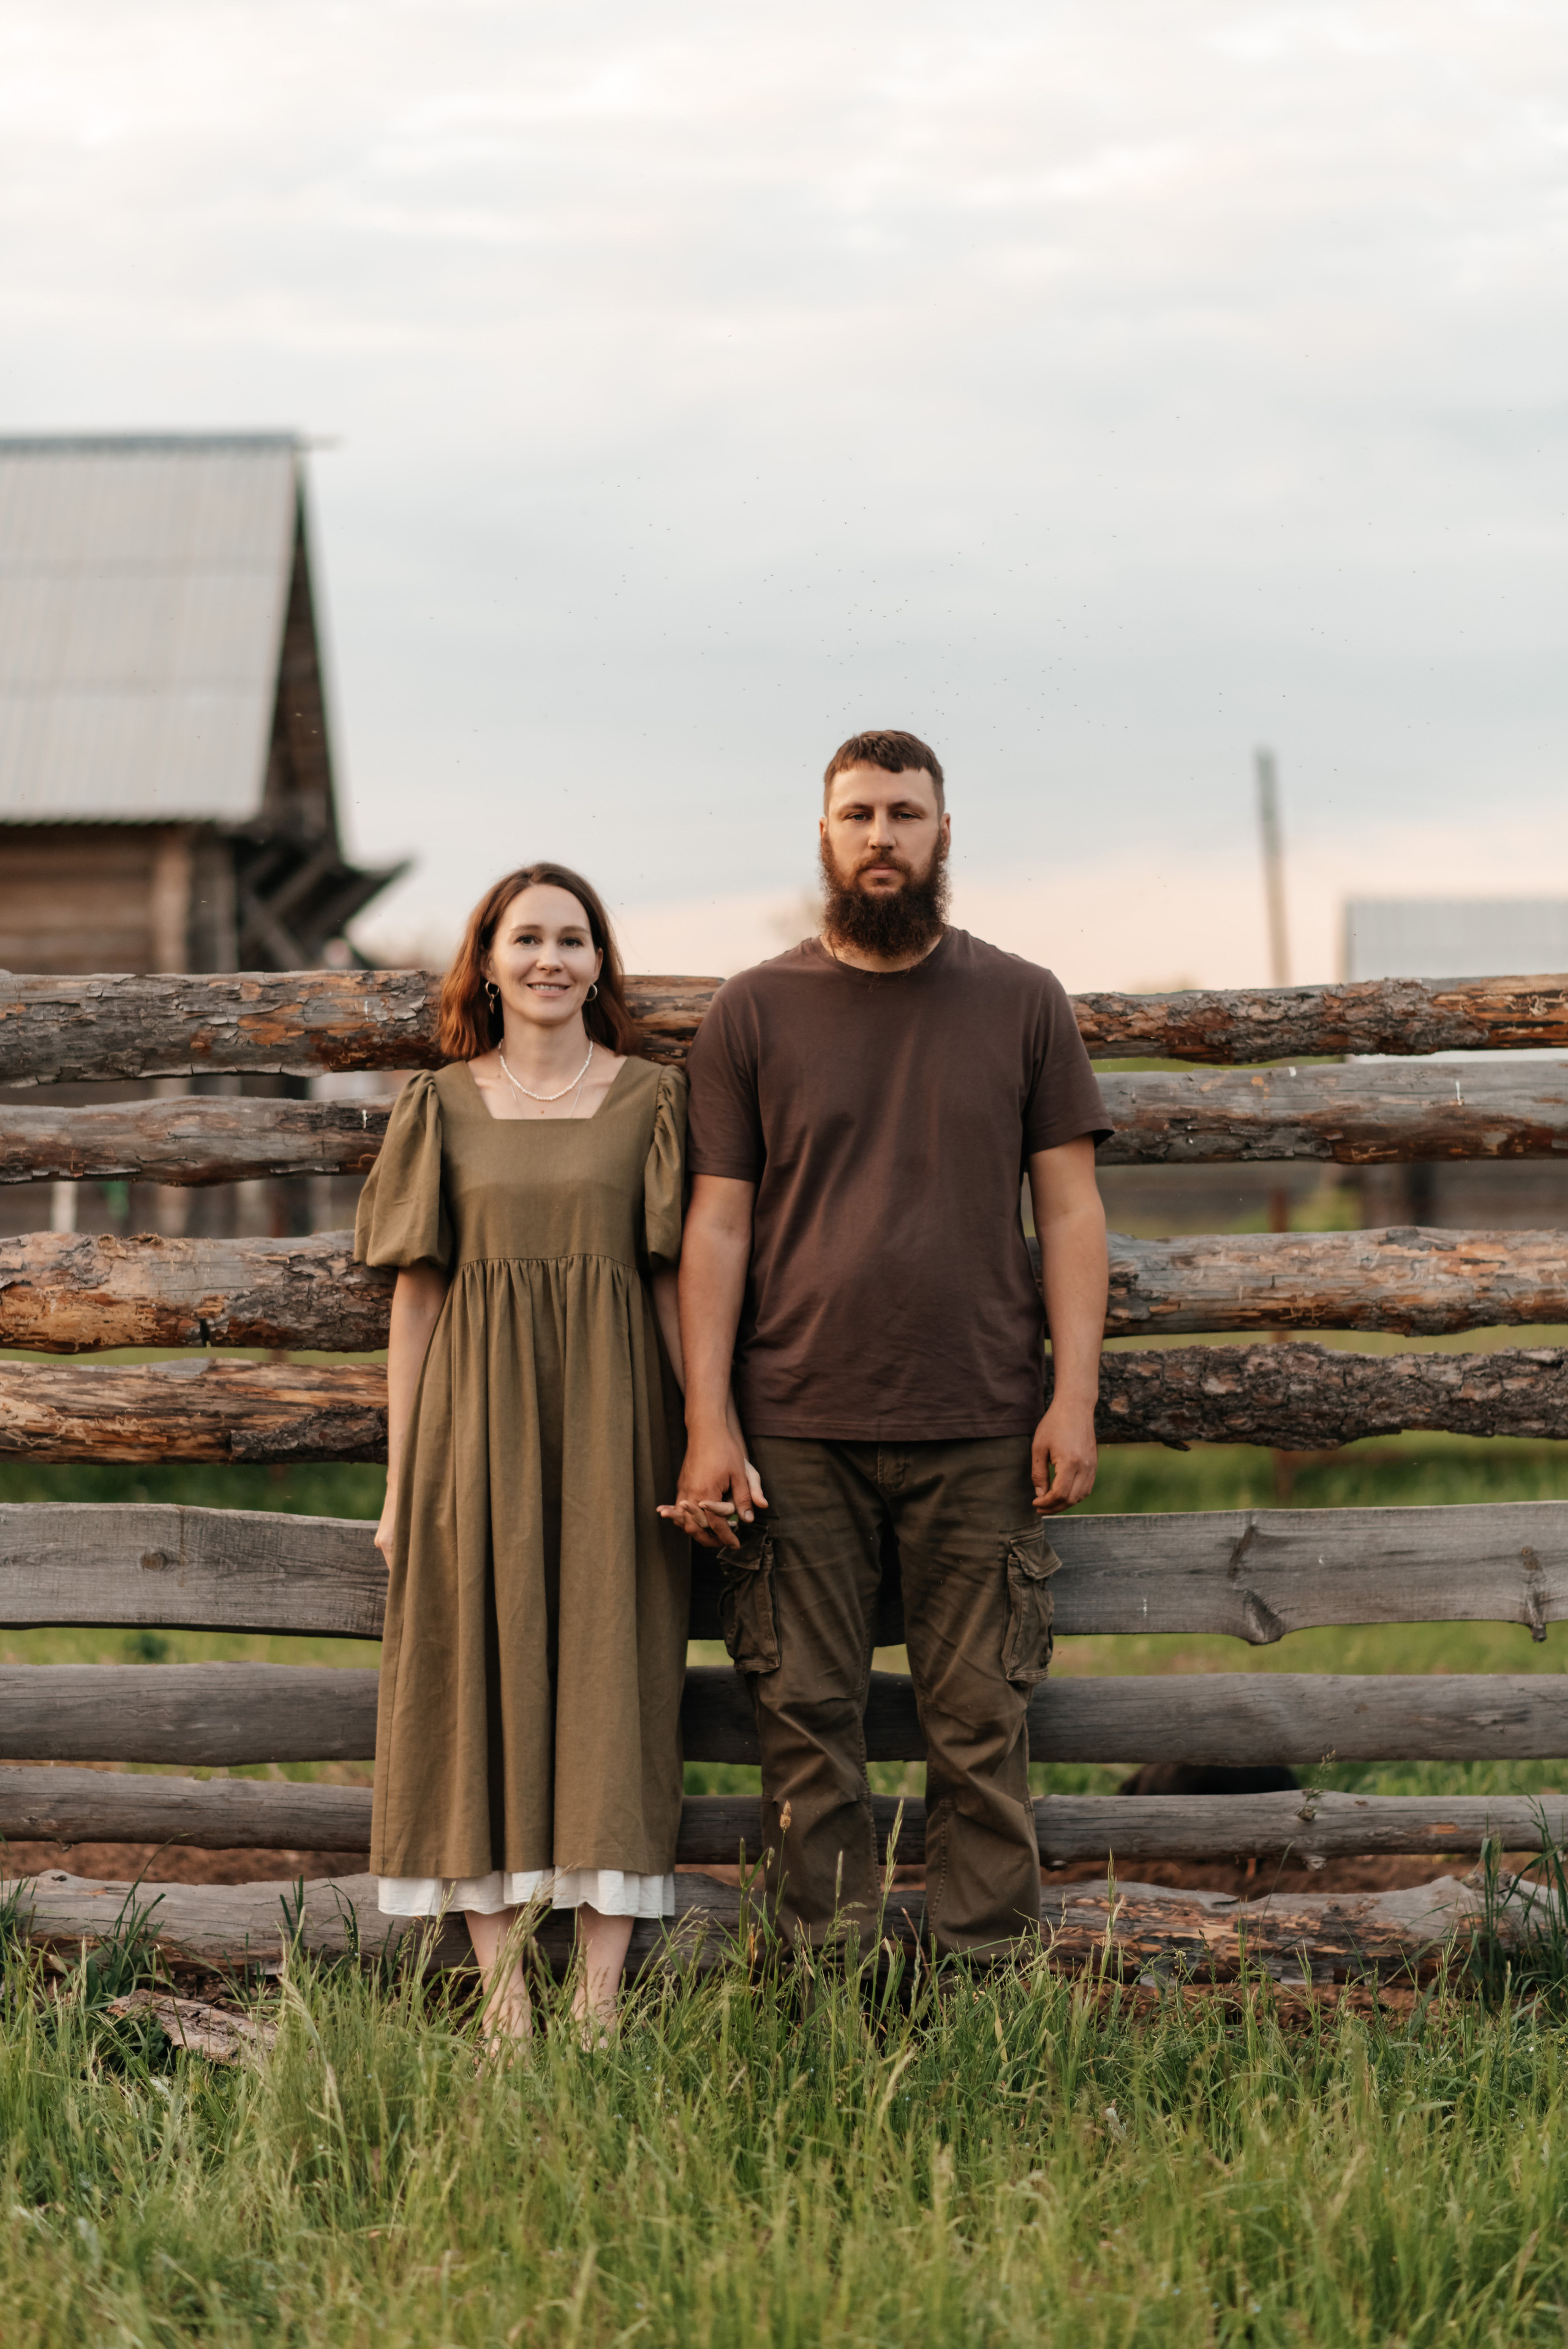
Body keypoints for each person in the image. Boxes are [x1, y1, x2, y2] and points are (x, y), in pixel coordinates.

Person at [668, 731, 1112, 1957]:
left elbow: (1070, 1212)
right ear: (823, 834)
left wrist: (1071, 1398)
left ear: (941, 834)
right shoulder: (754, 1011)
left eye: (903, 813)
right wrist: (709, 1421)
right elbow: (714, 1227)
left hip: (978, 1421)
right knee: (805, 1723)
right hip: (793, 1425)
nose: (880, 835)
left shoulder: (1020, 1001)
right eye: (857, 813)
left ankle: (980, 1993)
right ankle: (829, 1996)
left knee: (978, 1723)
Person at [355, 862, 751, 2044]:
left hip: (615, 1430)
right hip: (472, 1436)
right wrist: (401, 1479)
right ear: (486, 960)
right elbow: (417, 1303)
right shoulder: (438, 1106)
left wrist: (705, 1433)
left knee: (610, 1677)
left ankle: (596, 2008)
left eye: (573, 939)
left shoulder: (651, 1101)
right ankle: (506, 2008)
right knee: (471, 1679)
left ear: (599, 964)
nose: (550, 959)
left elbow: (682, 1282)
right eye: (526, 938)